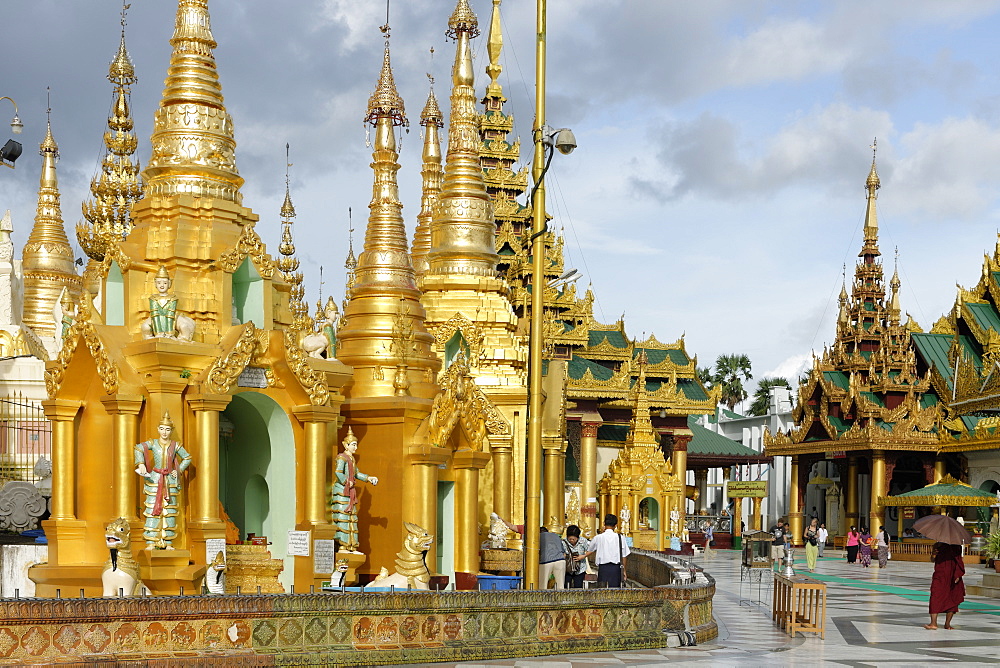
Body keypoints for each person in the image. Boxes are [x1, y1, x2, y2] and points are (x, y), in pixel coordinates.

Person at [134, 412, 192, 549]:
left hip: (170, 482)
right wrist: (141, 464)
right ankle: (151, 541)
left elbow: (187, 458)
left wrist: (178, 470)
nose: (164, 432)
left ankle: (168, 542)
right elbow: (138, 448)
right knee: (152, 509)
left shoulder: (175, 445)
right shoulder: (153, 443)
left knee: (169, 511)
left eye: (167, 429)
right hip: (154, 479)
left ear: (171, 431)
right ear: (158, 429)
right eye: (162, 429)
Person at [330, 427, 378, 551]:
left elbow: (356, 473)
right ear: (346, 445)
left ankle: (351, 545)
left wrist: (368, 478)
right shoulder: (342, 458)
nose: (355, 448)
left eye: (356, 445)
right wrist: (347, 481)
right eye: (353, 445)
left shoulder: (351, 459)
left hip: (349, 492)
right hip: (342, 491)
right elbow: (338, 472)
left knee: (351, 518)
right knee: (343, 517)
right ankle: (343, 545)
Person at [926, 542, 965, 630]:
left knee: (952, 599)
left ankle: (947, 624)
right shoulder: (937, 545)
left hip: (952, 576)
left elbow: (959, 561)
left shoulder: (956, 546)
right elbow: (932, 560)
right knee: (935, 597)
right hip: (939, 576)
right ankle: (933, 623)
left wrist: (958, 574)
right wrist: (934, 554)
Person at [584, 514, 629, 587]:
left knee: (603, 591)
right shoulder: (620, 538)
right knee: (615, 591)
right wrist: (624, 570)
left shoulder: (598, 537)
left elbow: (590, 549)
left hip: (603, 568)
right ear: (616, 525)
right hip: (616, 568)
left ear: (604, 523)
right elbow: (624, 555)